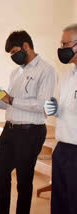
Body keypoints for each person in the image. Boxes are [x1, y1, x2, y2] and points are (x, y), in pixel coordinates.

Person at [0, 30, 56, 214]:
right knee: (0, 175)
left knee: (24, 179)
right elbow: (9, 105)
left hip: (31, 132)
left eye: (14, 52)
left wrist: (10, 99)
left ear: (26, 46)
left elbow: (42, 105)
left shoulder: (46, 70)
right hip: (10, 130)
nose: (13, 57)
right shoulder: (16, 73)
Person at [44, 23, 77, 214]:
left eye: (65, 45)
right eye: (61, 44)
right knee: (59, 202)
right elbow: (66, 110)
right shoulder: (66, 76)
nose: (61, 49)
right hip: (62, 148)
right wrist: (55, 109)